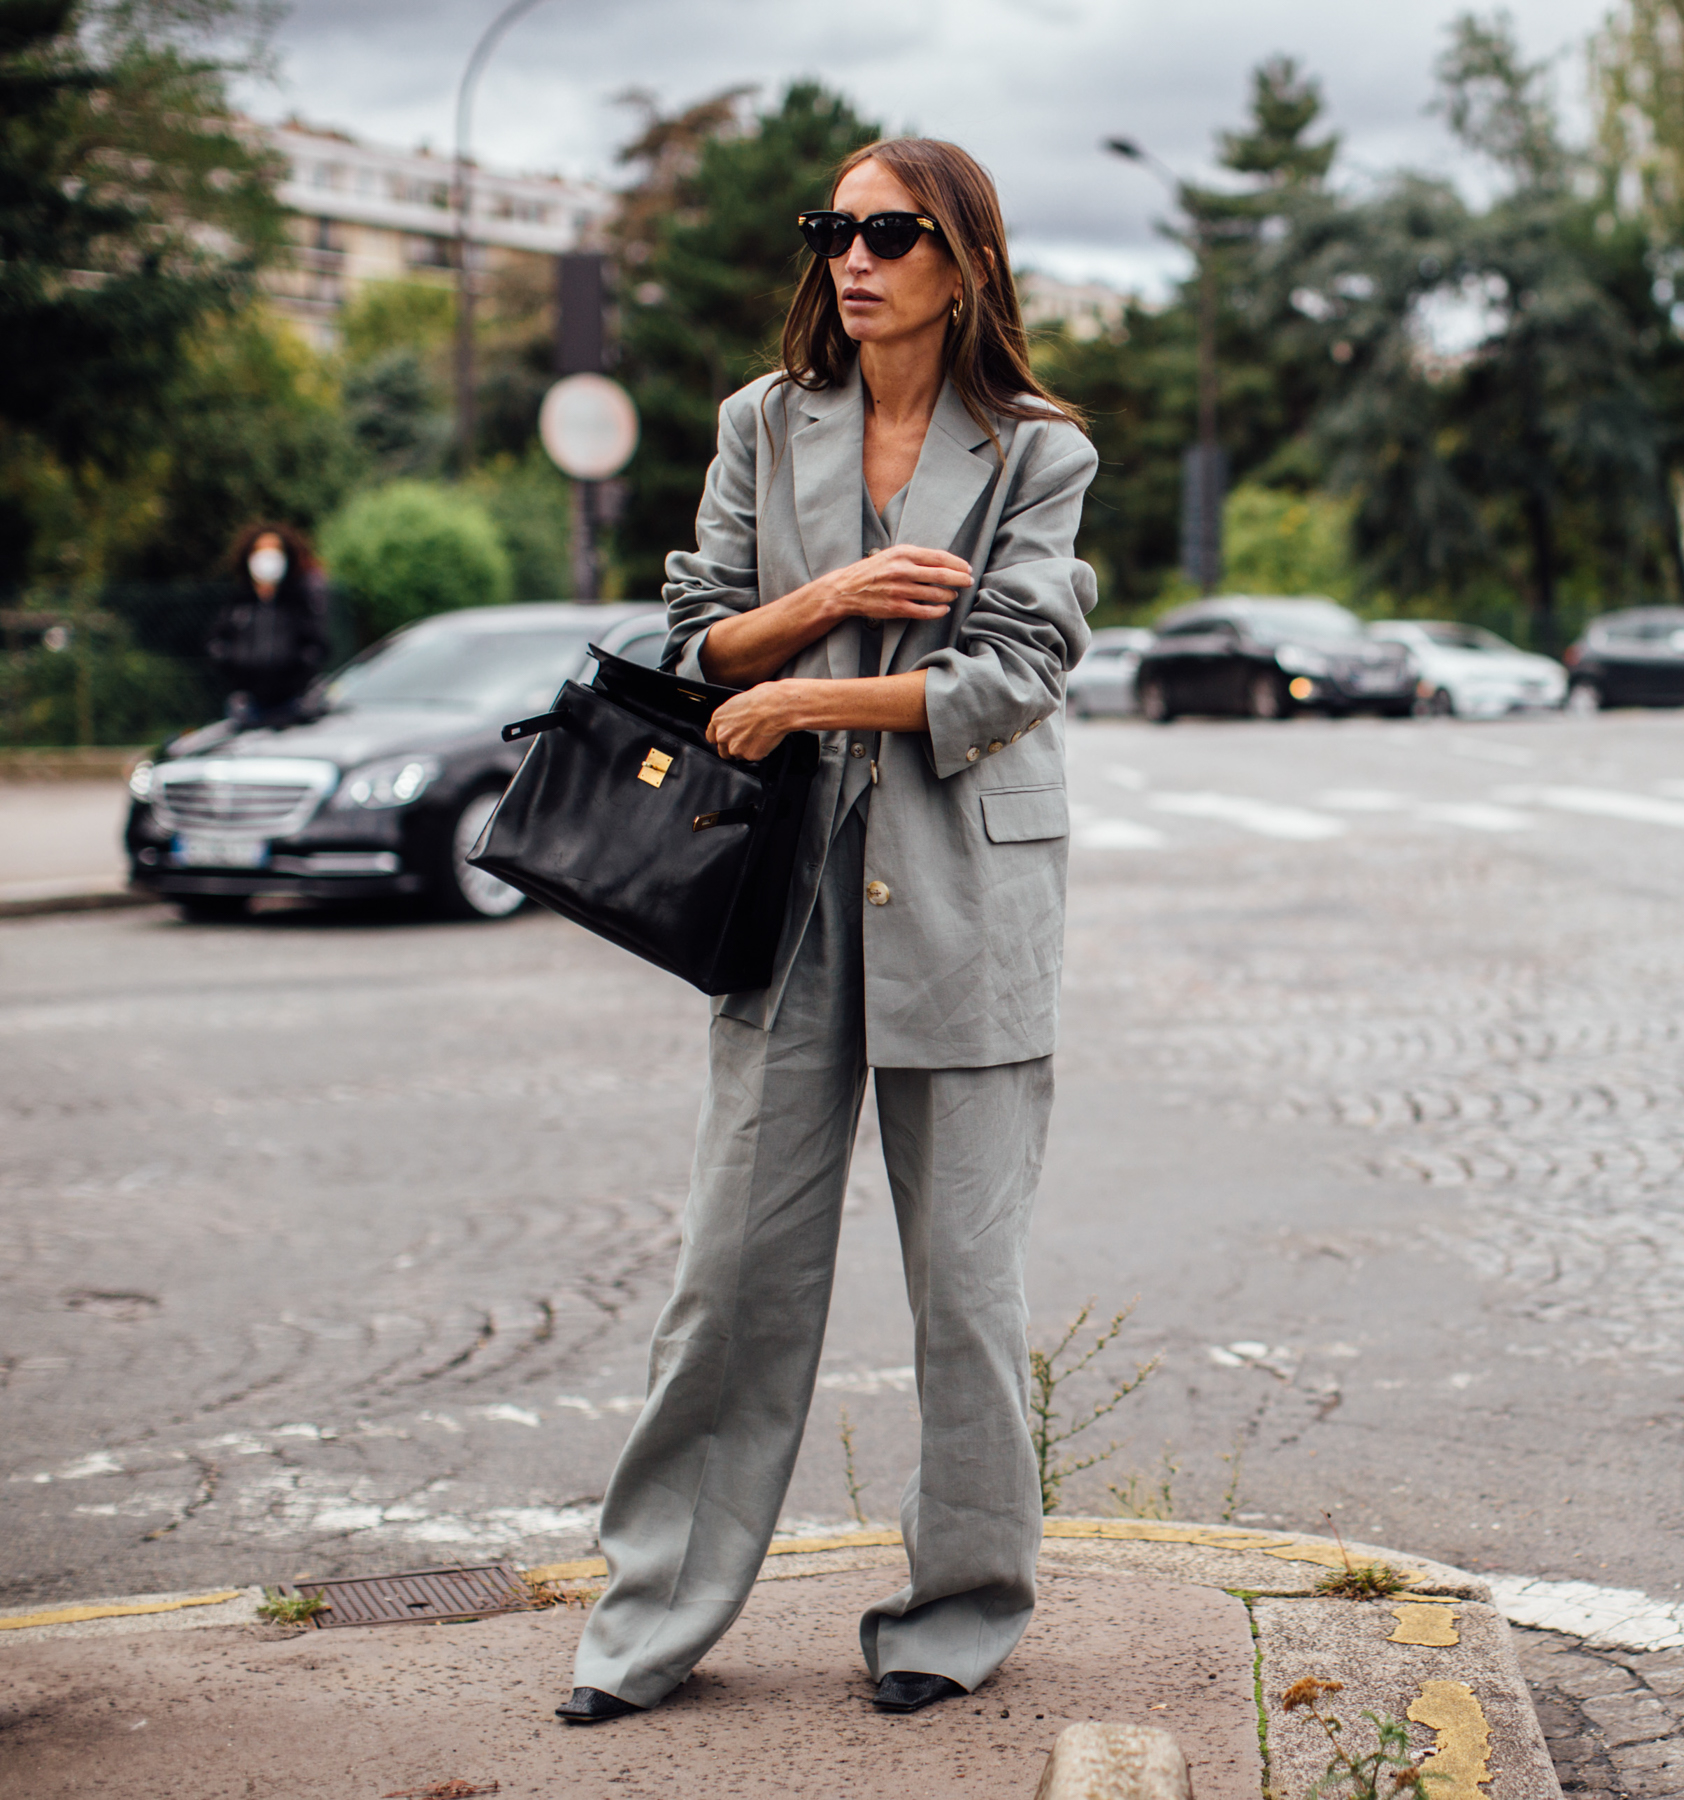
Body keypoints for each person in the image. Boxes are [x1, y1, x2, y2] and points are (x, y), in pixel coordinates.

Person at [556, 136, 1096, 1727]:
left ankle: (962, 1606)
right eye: (833, 229)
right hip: (779, 887)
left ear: (965, 260)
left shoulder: (1034, 453)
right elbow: (696, 635)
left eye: (891, 232)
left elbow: (1011, 678)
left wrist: (804, 697)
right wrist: (824, 608)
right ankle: (647, 1623)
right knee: (733, 1274)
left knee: (965, 1285)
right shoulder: (762, 424)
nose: (853, 256)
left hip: (967, 891)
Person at [206, 523, 330, 726]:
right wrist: (236, 670)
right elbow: (216, 643)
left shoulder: (298, 601)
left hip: (291, 705)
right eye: (261, 550)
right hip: (248, 705)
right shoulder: (239, 603)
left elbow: (317, 645)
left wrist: (295, 676)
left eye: (275, 550)